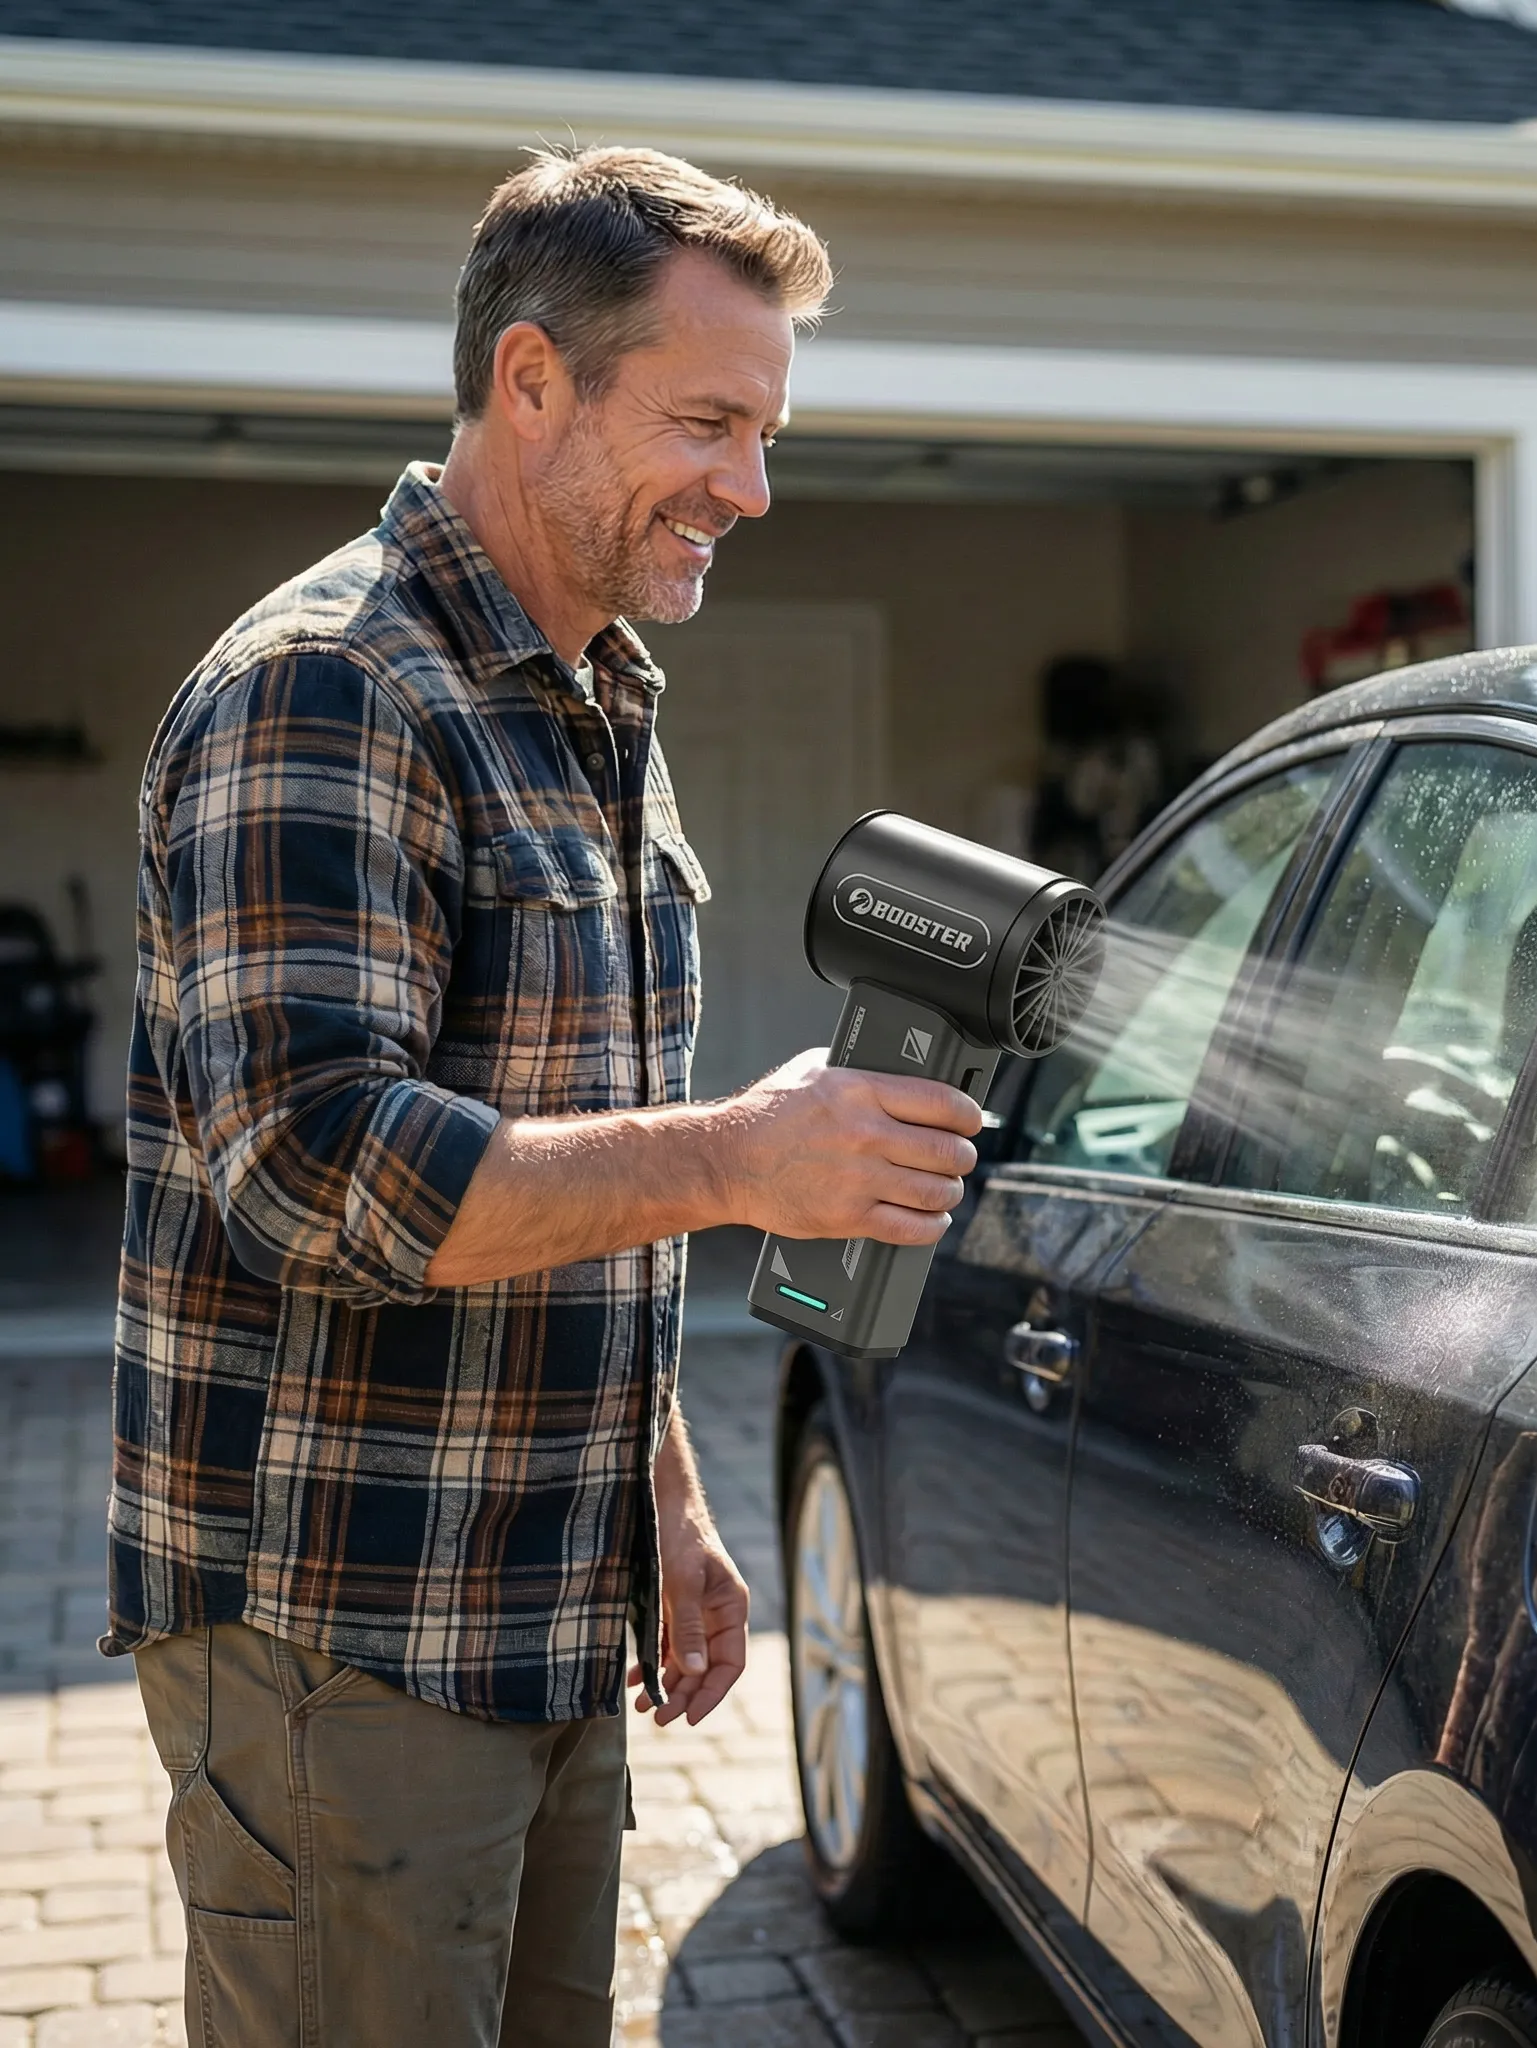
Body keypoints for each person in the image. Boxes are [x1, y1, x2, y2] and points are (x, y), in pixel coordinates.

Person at [105, 146, 982, 2047]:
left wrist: (656, 1493)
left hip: (545, 1595)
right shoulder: (332, 690)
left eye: (765, 431)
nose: (752, 484)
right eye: (709, 423)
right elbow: (324, 1170)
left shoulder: (595, 697)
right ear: (530, 383)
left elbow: (572, 1129)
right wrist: (749, 1156)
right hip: (348, 1631)